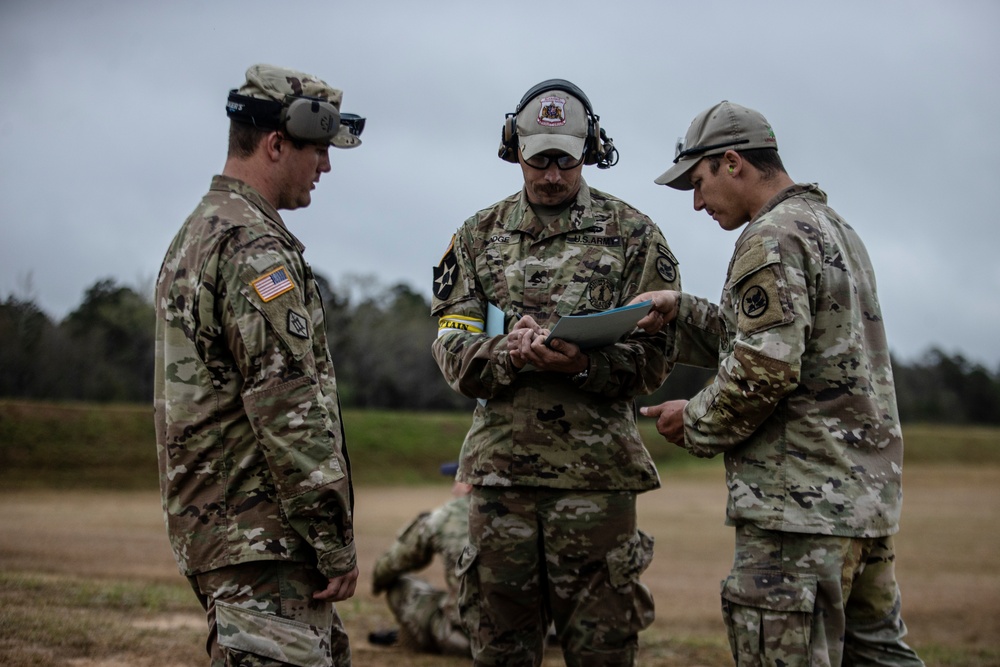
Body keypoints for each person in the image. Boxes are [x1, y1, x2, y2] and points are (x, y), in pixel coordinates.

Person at [634, 100, 924, 666]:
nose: (696, 203)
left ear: (733, 162)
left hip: (797, 513)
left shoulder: (770, 237)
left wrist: (691, 421)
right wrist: (679, 310)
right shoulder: (834, 228)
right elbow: (785, 339)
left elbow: (764, 368)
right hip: (860, 505)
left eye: (698, 183)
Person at [430, 78, 681, 666]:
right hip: (501, 484)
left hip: (595, 484)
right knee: (500, 648)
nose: (550, 174)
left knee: (603, 649)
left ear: (589, 150)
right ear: (514, 150)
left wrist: (587, 363)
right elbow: (452, 345)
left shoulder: (635, 236)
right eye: (538, 158)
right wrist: (506, 354)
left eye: (564, 160)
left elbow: (657, 359)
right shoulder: (476, 238)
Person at [153, 63, 365, 667]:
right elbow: (288, 407)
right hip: (261, 541)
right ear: (276, 143)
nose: (325, 166)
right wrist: (332, 539)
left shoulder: (199, 232)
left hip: (225, 534)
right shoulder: (253, 247)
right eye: (318, 150)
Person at [369, 463, 472, 656]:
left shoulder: (445, 516)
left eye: (455, 481)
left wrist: (377, 585)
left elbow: (387, 567)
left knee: (400, 586)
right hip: (525, 642)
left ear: (468, 484)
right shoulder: (527, 514)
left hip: (467, 641)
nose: (452, 489)